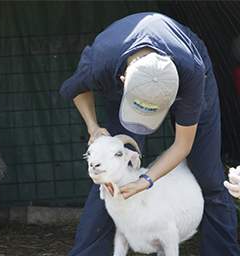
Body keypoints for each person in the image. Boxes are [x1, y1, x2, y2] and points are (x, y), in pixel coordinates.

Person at [60, 12, 240, 256]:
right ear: (124, 80)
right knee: (110, 172)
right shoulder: (101, 60)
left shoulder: (192, 73)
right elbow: (77, 88)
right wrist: (93, 126)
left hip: (183, 78)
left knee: (208, 173)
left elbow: (183, 144)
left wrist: (146, 181)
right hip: (123, 78)